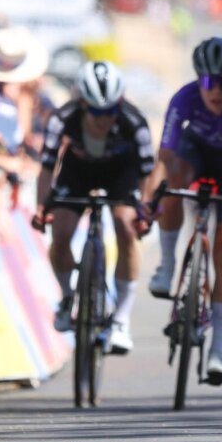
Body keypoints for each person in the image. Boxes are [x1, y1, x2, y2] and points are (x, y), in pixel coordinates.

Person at [143, 37, 222, 385]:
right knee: (173, 181)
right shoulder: (183, 98)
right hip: (193, 153)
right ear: (199, 79)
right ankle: (167, 265)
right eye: (211, 82)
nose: (218, 92)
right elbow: (163, 158)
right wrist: (150, 200)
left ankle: (218, 350)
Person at [31, 61, 153, 353]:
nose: (104, 119)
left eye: (110, 111)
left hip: (120, 173)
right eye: (97, 112)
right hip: (78, 171)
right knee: (60, 234)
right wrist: (42, 205)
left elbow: (148, 171)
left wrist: (144, 211)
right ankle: (66, 296)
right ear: (82, 104)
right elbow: (47, 167)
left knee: (126, 228)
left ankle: (121, 318)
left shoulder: (134, 122)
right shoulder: (62, 118)